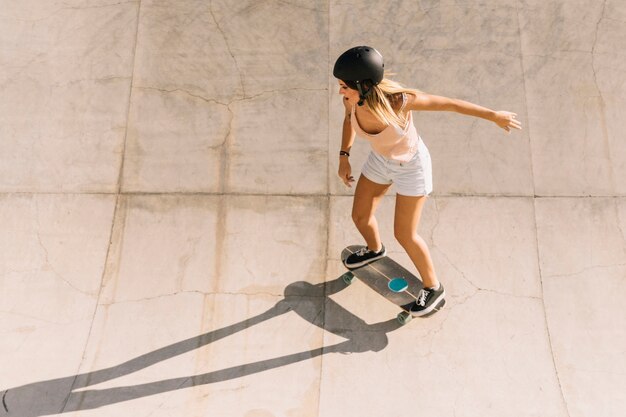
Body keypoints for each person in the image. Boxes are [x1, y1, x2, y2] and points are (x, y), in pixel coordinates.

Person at [333, 46, 522, 317]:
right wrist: (344, 156)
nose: (340, 92)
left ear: (362, 85)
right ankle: (374, 250)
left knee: (405, 234)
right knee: (361, 217)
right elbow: (348, 121)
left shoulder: (399, 101)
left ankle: (433, 288)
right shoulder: (352, 101)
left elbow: (449, 104)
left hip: (411, 166)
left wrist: (493, 115)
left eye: (344, 86)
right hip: (380, 160)